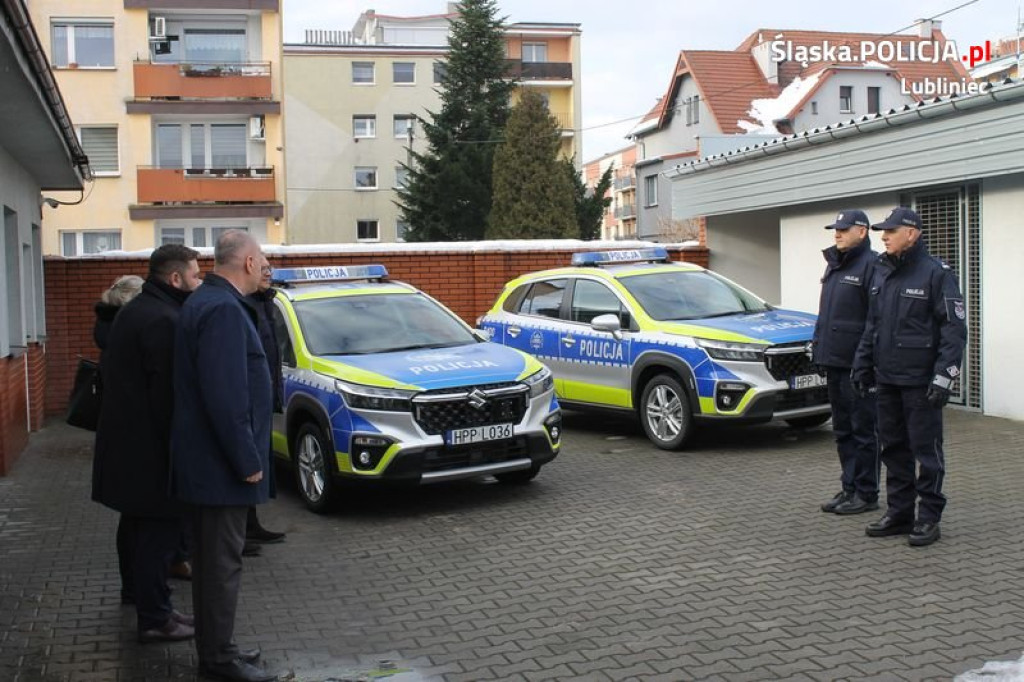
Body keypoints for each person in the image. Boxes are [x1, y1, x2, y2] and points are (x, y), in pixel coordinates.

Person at [172, 231, 276, 682]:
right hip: (218, 468)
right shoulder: (223, 311)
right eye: (264, 259)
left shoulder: (211, 302)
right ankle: (217, 661)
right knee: (219, 567)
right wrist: (247, 459)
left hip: (208, 464)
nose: (266, 266)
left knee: (216, 563)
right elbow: (226, 397)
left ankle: (221, 648)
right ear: (249, 263)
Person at [92, 246, 201, 643]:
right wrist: (181, 446)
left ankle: (146, 601)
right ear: (175, 279)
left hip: (128, 447)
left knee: (138, 529)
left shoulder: (139, 311)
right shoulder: (163, 320)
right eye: (194, 275)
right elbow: (167, 396)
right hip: (150, 452)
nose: (198, 282)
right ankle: (156, 618)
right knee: (156, 535)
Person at [852, 207, 967, 547]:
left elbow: (954, 330)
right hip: (887, 379)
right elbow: (872, 326)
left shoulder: (936, 274)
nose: (883, 236)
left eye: (891, 230)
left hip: (920, 382)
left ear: (912, 233)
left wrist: (945, 376)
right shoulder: (882, 272)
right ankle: (900, 513)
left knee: (926, 451)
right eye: (882, 231)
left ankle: (929, 517)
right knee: (894, 449)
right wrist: (862, 364)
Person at [813, 210, 880, 515]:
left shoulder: (873, 266)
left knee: (863, 431)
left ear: (862, 232)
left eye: (843, 229)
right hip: (834, 361)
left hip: (857, 365)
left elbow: (874, 320)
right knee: (842, 430)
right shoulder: (835, 265)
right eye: (835, 229)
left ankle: (866, 494)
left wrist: (864, 362)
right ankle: (849, 487)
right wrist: (819, 351)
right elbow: (827, 317)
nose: (836, 234)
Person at [90, 274, 145, 607]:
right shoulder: (121, 333)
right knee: (136, 518)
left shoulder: (109, 329)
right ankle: (135, 588)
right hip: (129, 437)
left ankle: (134, 586)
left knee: (132, 517)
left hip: (120, 436)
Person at [244, 262, 286, 551]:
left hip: (263, 397)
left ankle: (251, 525)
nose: (269, 273)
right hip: (248, 401)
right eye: (263, 268)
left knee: (258, 462)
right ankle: (240, 533)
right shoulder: (242, 306)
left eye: (270, 268)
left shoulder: (264, 303)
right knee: (247, 464)